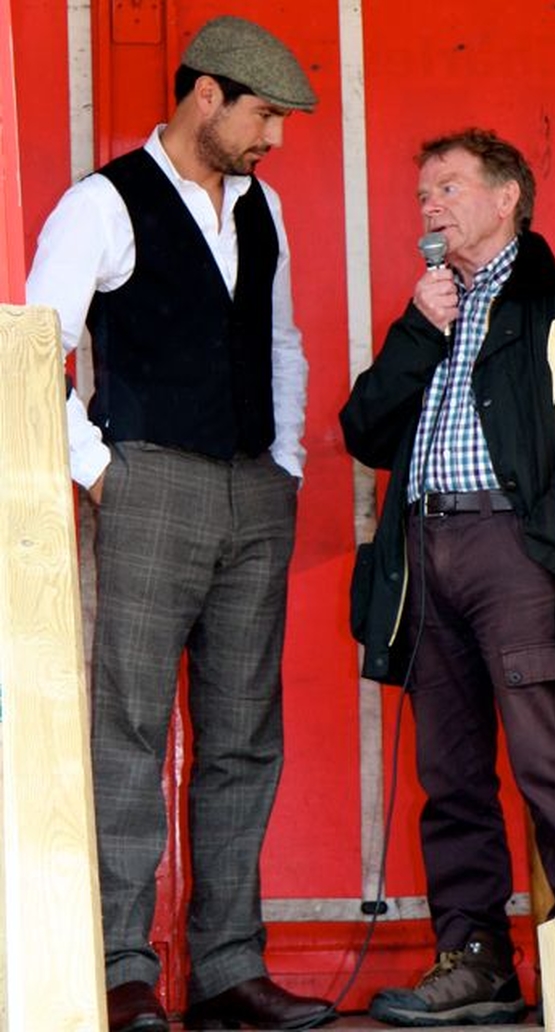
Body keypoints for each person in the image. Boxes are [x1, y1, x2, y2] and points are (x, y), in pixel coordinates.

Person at [27, 15, 334, 1032]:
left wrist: (285, 463)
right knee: (129, 733)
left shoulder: (264, 208)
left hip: (256, 487)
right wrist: (101, 473)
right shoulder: (102, 203)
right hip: (151, 479)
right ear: (204, 94)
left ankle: (225, 971)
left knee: (245, 736)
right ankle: (119, 971)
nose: (274, 137)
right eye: (264, 115)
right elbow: (37, 351)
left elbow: (280, 341)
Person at [339, 127, 555, 1027]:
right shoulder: (426, 306)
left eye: (450, 188)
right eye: (423, 195)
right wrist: (420, 332)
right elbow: (363, 431)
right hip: (425, 554)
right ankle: (474, 960)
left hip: (516, 549)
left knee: (552, 755)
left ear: (507, 199)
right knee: (449, 768)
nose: (430, 207)